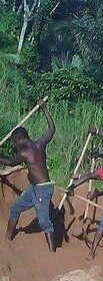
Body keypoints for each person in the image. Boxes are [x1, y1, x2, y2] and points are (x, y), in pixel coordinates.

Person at [0, 99, 56, 252]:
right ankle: (7, 239)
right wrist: (44, 109)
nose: (15, 144)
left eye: (15, 142)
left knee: (44, 221)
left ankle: (53, 253)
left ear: (20, 140)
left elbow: (11, 163)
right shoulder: (40, 143)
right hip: (35, 188)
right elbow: (52, 128)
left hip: (43, 190)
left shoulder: (24, 154)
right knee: (16, 208)